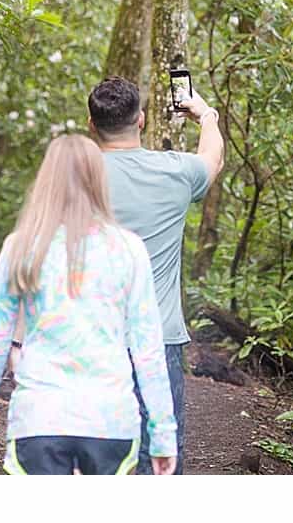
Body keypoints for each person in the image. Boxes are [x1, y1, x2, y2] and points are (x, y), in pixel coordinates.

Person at [0, 132, 176, 475]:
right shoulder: (129, 249)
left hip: (39, 420)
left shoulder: (21, 246)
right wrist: (164, 434)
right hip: (111, 422)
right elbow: (148, 349)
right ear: (98, 179)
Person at [88, 74, 225, 474]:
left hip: (90, 337)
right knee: (158, 459)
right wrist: (205, 115)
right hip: (157, 340)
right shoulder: (175, 173)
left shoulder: (77, 176)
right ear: (142, 120)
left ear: (92, 125)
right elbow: (212, 158)